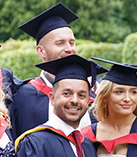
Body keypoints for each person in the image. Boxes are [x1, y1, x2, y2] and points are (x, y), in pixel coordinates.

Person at [14, 54, 104, 157]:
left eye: (82, 95)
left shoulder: (87, 146)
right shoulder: (35, 144)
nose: (75, 101)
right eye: (67, 94)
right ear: (52, 98)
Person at [11, 2, 88, 138]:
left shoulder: (91, 91)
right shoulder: (25, 96)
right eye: (60, 43)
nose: (69, 48)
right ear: (41, 51)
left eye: (72, 42)